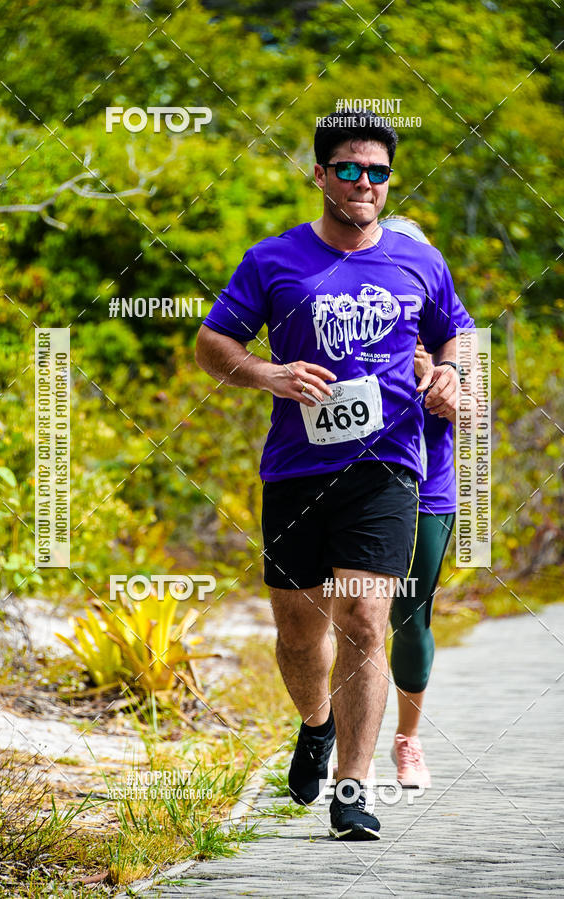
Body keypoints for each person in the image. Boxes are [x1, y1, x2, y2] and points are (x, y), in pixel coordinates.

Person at [195, 110, 475, 841]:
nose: (364, 183)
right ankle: (315, 724)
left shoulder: (419, 261)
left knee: (364, 619)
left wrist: (449, 373)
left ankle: (353, 787)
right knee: (298, 629)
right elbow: (212, 341)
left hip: (388, 467)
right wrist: (268, 373)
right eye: (349, 169)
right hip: (297, 467)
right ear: (320, 175)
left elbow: (453, 330)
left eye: (378, 172)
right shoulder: (273, 259)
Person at [381, 216, 465, 790]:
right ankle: (337, 737)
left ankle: (407, 741)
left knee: (409, 616)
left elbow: (474, 417)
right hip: (354, 483)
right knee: (349, 613)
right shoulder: (357, 324)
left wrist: (437, 381)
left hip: (428, 490)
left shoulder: (456, 336)